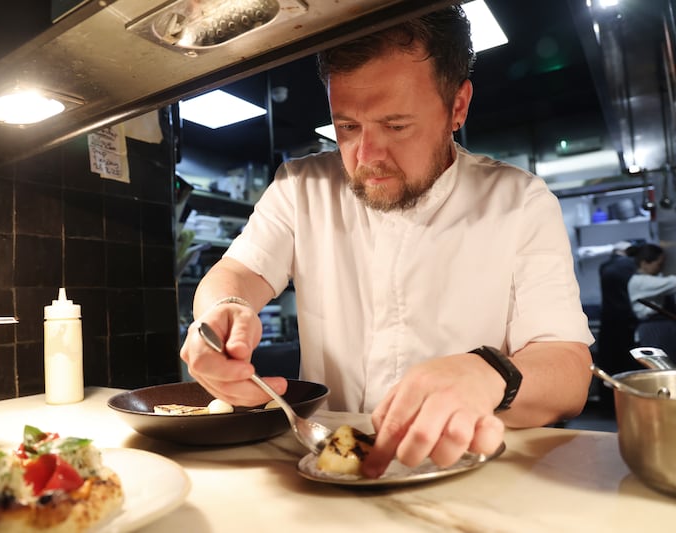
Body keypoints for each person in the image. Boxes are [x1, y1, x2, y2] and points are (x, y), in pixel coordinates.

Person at [180, 5, 593, 478]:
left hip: (473, 474)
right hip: (331, 468)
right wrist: (222, 314)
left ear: (457, 107)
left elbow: (568, 372)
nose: (366, 157)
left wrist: (489, 372)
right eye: (347, 127)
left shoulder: (518, 200)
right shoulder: (302, 186)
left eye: (396, 125)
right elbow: (237, 274)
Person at [595, 241, 640, 407]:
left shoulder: (605, 266)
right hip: (626, 320)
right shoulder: (631, 265)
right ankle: (627, 401)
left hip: (608, 319)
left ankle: (607, 402)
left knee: (608, 362)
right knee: (626, 363)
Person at [627, 243, 676, 356]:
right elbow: (673, 282)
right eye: (659, 264)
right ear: (644, 263)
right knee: (660, 365)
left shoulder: (647, 279)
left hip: (661, 326)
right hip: (653, 328)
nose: (661, 268)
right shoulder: (640, 282)